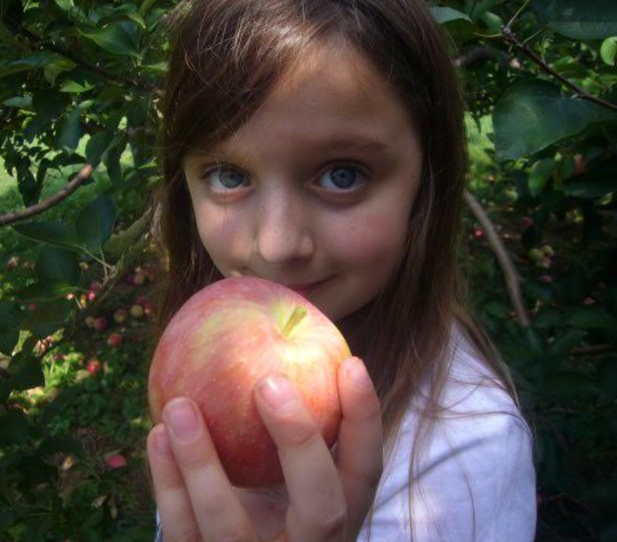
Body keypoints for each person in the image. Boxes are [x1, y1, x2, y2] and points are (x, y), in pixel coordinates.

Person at [144, 1, 537, 541]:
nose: (278, 245)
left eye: (343, 175)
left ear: (427, 181)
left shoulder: (466, 455)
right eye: (228, 174)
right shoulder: (206, 355)